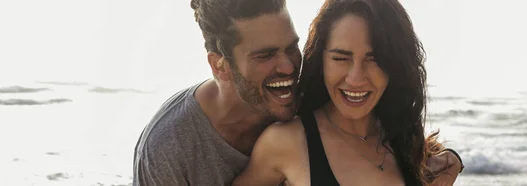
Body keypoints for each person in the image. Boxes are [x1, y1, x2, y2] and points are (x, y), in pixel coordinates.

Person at [133, 0, 462, 185]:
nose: (289, 68)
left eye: (292, 48)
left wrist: (449, 163)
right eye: (265, 56)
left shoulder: (330, 97)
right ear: (220, 67)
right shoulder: (168, 149)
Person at [232, 0, 463, 185]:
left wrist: (453, 160)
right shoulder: (285, 142)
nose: (355, 78)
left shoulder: (402, 138)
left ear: (395, 66)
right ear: (321, 59)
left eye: (374, 59)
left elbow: (442, 161)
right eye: (341, 58)